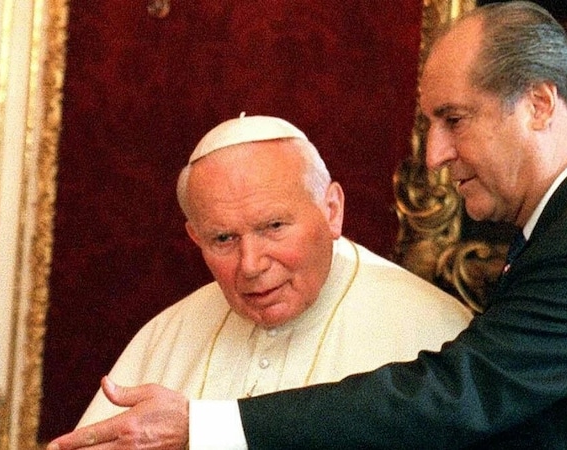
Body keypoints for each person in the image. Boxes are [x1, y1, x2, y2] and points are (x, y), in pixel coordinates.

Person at [48, 2, 567, 449]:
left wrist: (205, 424)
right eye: (223, 239)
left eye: (453, 119)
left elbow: (451, 399)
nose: (434, 154)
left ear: (540, 103)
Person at [56, 114, 473, 437]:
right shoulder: (167, 335)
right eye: (223, 238)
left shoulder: (435, 331)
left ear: (332, 210)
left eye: (273, 227)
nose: (251, 265)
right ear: (195, 237)